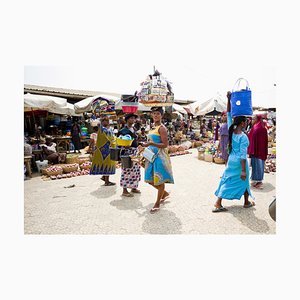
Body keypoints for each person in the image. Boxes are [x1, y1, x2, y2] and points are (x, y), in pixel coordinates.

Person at [212, 92, 254, 212]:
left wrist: (229, 99)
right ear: (242, 123)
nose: (246, 124)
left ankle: (244, 201)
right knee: (244, 180)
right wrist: (243, 170)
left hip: (231, 160)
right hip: (239, 163)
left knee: (226, 179)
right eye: (245, 122)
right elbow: (242, 155)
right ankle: (219, 203)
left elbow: (229, 114)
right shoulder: (243, 137)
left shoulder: (232, 129)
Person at [141, 107, 174, 213]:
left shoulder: (162, 128)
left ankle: (157, 203)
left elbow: (165, 144)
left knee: (159, 179)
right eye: (154, 113)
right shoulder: (152, 127)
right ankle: (164, 193)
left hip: (160, 157)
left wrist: (151, 143)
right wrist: (144, 147)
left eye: (158, 114)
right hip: (150, 156)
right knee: (149, 180)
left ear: (161, 115)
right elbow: (150, 140)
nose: (155, 115)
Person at [118, 113, 141, 197]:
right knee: (126, 170)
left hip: (135, 151)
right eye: (131, 118)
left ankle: (133, 187)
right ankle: (124, 190)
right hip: (127, 152)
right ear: (127, 119)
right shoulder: (122, 130)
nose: (133, 120)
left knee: (135, 170)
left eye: (134, 118)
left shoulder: (134, 129)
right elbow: (119, 142)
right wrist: (124, 146)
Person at [90, 116, 116, 186]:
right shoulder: (102, 129)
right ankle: (107, 182)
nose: (106, 122)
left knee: (107, 164)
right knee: (106, 164)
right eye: (104, 120)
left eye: (107, 121)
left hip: (108, 149)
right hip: (104, 150)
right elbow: (98, 124)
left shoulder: (108, 129)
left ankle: (104, 178)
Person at [247, 114, 268, 189]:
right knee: (257, 165)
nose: (252, 121)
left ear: (257, 119)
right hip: (259, 150)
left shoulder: (257, 128)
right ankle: (257, 180)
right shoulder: (261, 127)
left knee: (258, 166)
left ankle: (259, 182)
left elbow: (251, 138)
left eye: (253, 119)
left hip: (257, 151)